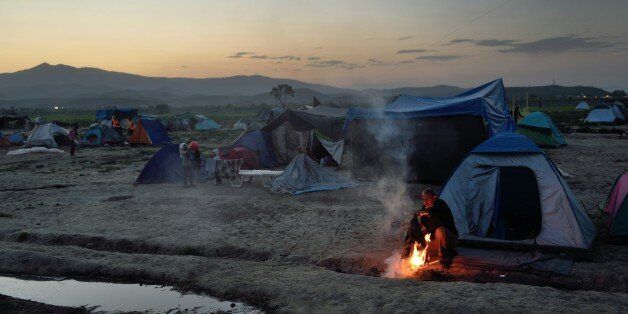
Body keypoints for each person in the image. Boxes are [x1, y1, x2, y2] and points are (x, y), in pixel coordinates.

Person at [403, 188, 459, 265]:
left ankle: (446, 256)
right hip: (435, 242)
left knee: (440, 231)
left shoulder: (440, 204)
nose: (425, 202)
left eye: (427, 199)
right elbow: (414, 228)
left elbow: (434, 213)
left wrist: (423, 213)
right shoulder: (424, 210)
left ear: (434, 197)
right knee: (415, 231)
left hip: (450, 239)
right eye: (423, 199)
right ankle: (410, 256)